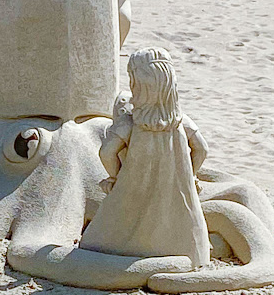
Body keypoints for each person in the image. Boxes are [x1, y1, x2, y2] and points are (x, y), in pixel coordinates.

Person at [80, 47, 211, 266]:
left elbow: (106, 152)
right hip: (177, 194)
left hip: (131, 190)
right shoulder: (181, 122)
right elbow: (202, 149)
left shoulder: (130, 123)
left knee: (112, 232)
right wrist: (192, 175)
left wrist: (115, 176)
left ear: (137, 85)